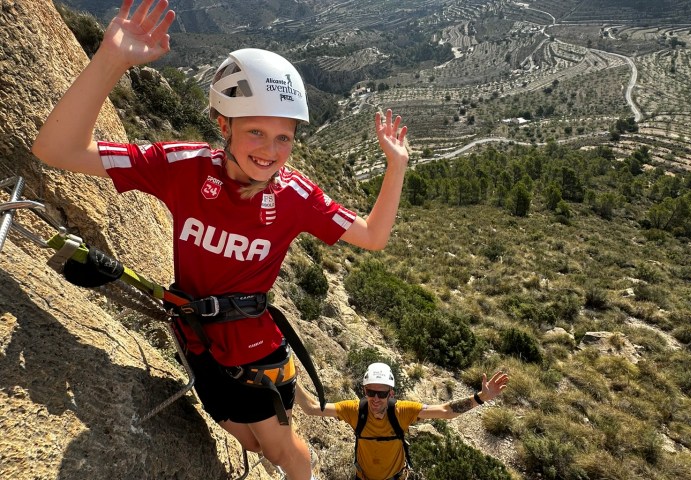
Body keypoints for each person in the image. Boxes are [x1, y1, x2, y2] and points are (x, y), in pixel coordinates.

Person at [32, 1, 410, 479]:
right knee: (243, 434)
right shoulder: (184, 168)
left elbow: (374, 236)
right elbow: (55, 149)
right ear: (223, 125)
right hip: (196, 339)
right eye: (256, 132)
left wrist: (395, 167)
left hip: (255, 355)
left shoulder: (295, 195)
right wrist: (110, 60)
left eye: (284, 138)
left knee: (285, 453)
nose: (270, 152)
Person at [295, 362, 509, 480]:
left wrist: (481, 398)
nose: (376, 399)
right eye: (371, 392)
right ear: (364, 391)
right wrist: (287, 375)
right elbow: (312, 407)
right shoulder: (354, 410)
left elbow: (445, 411)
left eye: (382, 393)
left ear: (391, 393)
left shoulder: (402, 411)